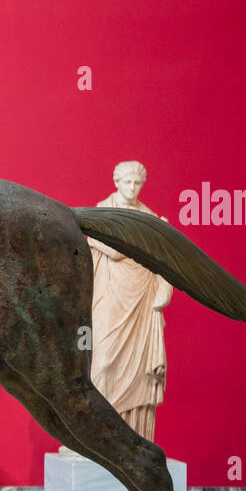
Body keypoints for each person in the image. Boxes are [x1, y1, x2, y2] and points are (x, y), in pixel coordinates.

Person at [87, 160, 173, 441]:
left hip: (141, 294)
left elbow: (163, 259)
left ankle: (133, 439)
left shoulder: (148, 217)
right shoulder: (102, 212)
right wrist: (147, 238)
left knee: (138, 370)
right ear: (116, 182)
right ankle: (99, 438)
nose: (132, 188)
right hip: (110, 295)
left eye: (137, 183)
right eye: (126, 182)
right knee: (103, 361)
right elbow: (108, 249)